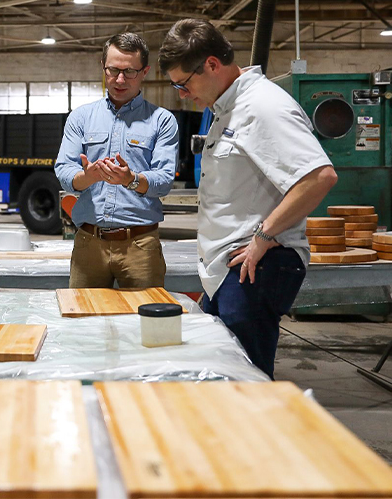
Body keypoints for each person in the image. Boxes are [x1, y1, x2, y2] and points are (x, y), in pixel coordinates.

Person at [158, 19, 337, 379]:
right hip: (229, 269)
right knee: (223, 375)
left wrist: (264, 237)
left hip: (254, 267)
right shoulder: (229, 109)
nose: (182, 94)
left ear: (211, 64)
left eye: (183, 83)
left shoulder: (262, 107)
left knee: (245, 384)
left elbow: (319, 177)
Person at [55, 32, 178, 288]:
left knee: (144, 323)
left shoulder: (162, 121)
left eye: (130, 72)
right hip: (89, 243)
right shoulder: (80, 118)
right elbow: (64, 170)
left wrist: (131, 180)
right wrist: (86, 177)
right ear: (103, 67)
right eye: (113, 70)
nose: (120, 79)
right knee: (83, 320)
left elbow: (164, 179)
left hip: (140, 245)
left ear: (145, 71)